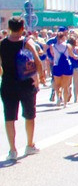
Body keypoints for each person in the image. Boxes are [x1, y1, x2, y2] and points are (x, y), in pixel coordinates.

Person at [1, 17, 42, 161]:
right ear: (22, 27)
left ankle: (12, 149)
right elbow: (37, 60)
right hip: (26, 83)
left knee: (9, 117)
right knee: (29, 114)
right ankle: (29, 144)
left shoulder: (2, 44)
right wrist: (39, 78)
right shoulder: (27, 42)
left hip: (8, 83)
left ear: (9, 27)